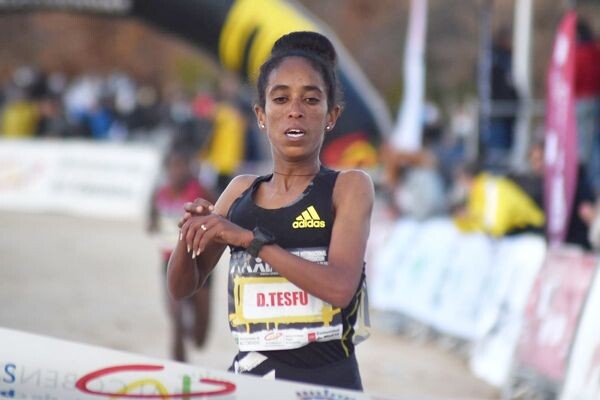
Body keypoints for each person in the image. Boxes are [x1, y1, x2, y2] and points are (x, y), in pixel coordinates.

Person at [167, 31, 373, 390]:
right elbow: (183, 286)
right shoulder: (239, 192)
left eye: (311, 99)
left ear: (331, 115)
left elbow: (340, 287)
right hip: (251, 383)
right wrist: (189, 235)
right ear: (261, 115)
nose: (295, 110)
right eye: (280, 99)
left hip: (326, 386)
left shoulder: (348, 187)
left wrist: (251, 241)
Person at [149, 147, 215, 362]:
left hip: (201, 262)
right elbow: (152, 221)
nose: (178, 171)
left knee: (199, 338)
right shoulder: (159, 193)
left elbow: (219, 216)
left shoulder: (201, 191)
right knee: (176, 320)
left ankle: (191, 329)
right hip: (170, 262)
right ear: (166, 169)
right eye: (173, 166)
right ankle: (179, 372)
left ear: (190, 169)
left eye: (183, 166)